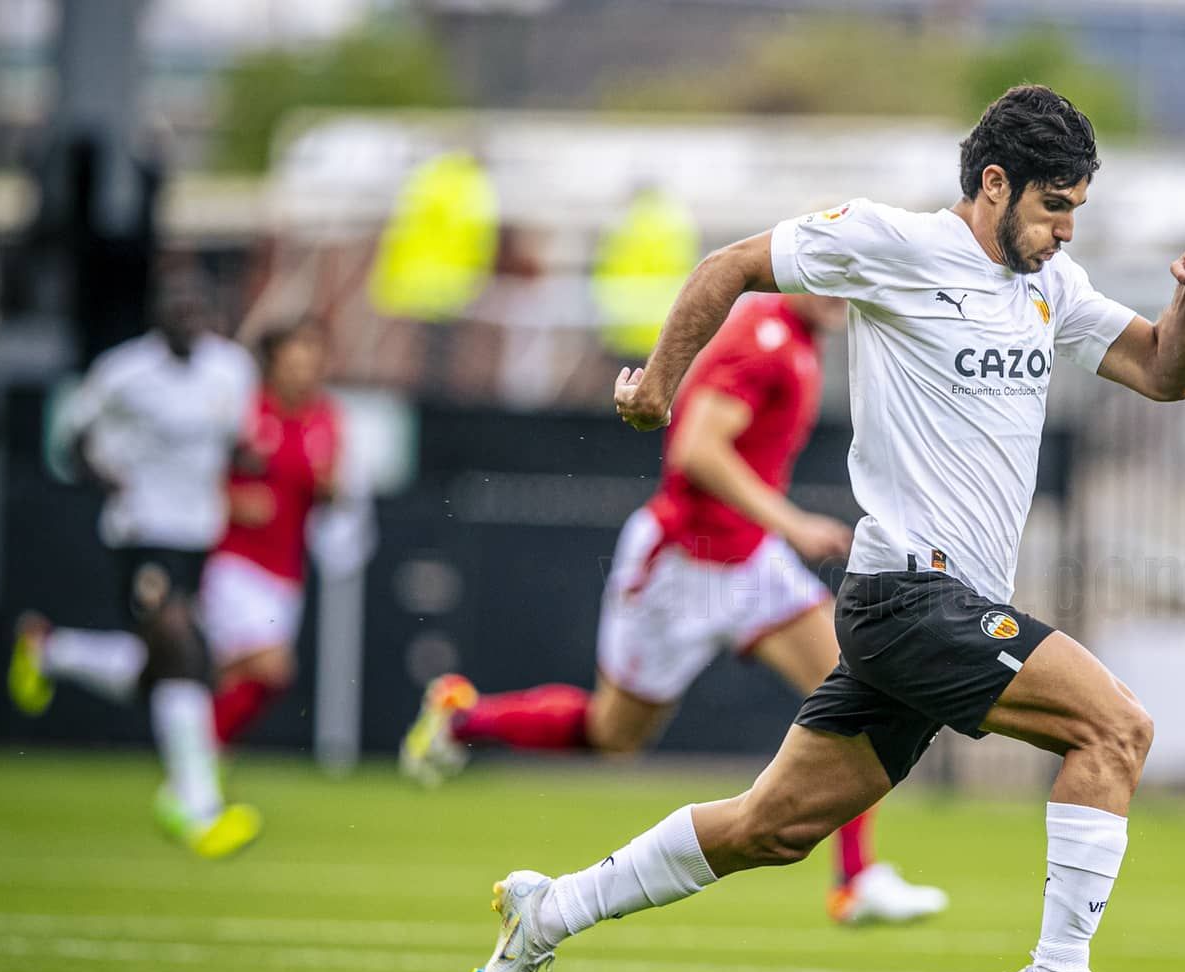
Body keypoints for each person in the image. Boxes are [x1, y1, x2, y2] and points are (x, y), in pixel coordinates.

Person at [464, 85, 1185, 972]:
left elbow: (1162, 371)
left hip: (940, 609)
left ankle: (550, 907)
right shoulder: (894, 244)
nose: (1063, 230)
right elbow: (729, 266)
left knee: (769, 829)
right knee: (1116, 727)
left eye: (1077, 212)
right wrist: (658, 381)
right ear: (994, 184)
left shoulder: (1051, 286)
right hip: (906, 593)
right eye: (1054, 206)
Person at [400, 291, 948, 926]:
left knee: (860, 686)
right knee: (615, 735)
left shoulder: (797, 340)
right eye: (825, 274)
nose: (837, 290)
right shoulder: (763, 338)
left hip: (746, 562)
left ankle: (855, 881)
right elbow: (697, 448)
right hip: (682, 566)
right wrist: (791, 522)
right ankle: (462, 719)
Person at [9, 272, 264, 858]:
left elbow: (233, 441)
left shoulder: (231, 369)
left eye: (198, 308)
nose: (190, 318)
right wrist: (105, 477)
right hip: (141, 533)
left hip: (198, 536)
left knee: (162, 668)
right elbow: (69, 441)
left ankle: (52, 650)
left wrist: (245, 461)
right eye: (178, 308)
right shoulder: (122, 372)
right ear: (158, 315)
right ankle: (195, 806)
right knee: (181, 647)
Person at [200, 319, 342, 745]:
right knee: (272, 669)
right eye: (293, 364)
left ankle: (201, 758)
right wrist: (230, 502)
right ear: (273, 365)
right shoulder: (245, 411)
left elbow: (327, 488)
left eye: (311, 365)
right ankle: (200, 756)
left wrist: (330, 491)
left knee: (235, 676)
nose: (302, 375)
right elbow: (198, 473)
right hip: (237, 560)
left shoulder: (325, 418)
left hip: (287, 569)